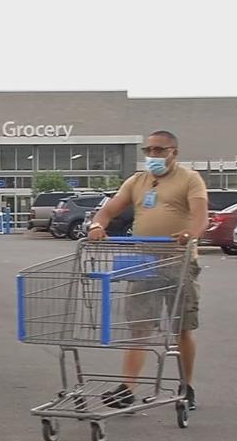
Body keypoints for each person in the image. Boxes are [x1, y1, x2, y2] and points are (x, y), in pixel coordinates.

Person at [87, 130, 208, 410]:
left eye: (159, 150)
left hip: (178, 260)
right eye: (148, 150)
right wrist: (97, 225)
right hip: (144, 261)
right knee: (138, 327)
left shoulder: (189, 180)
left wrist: (190, 234)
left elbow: (201, 218)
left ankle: (186, 385)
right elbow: (108, 210)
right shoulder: (137, 181)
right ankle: (127, 387)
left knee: (182, 328)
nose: (152, 155)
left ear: (173, 152)